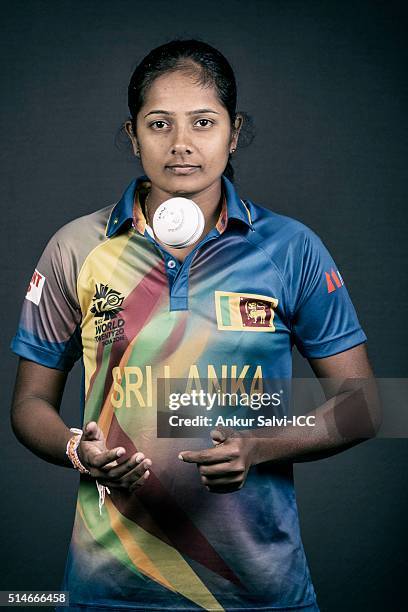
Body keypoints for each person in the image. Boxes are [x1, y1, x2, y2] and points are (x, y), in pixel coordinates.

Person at [10, 39, 380, 612]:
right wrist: (77, 450)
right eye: (159, 124)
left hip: (261, 592)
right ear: (133, 136)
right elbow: (29, 404)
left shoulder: (291, 249)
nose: (181, 144)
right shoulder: (76, 247)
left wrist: (261, 445)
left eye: (203, 123)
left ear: (233, 134)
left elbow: (365, 406)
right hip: (108, 589)